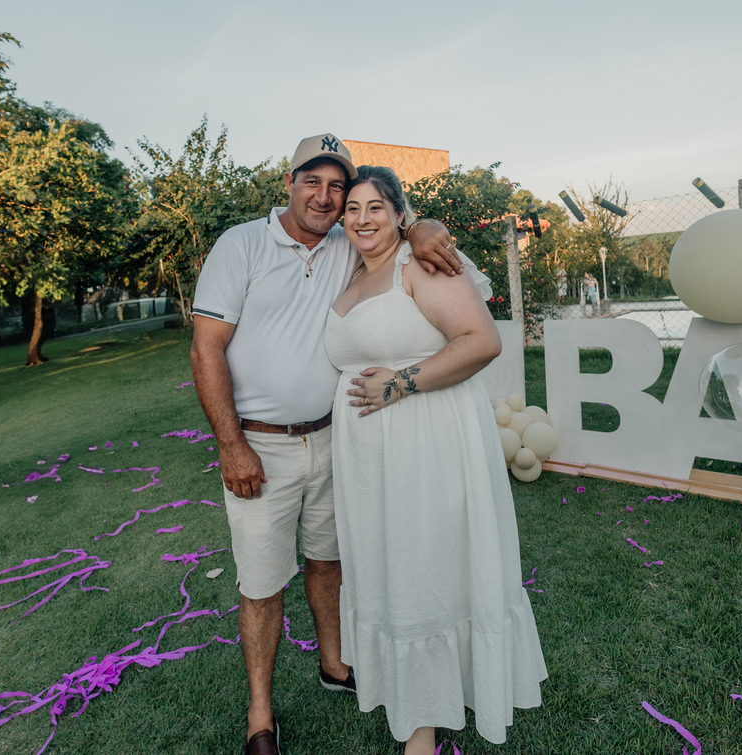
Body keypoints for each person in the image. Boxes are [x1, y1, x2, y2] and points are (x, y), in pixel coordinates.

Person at [190, 135, 462, 755]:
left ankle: (334, 664)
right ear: (288, 183)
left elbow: (390, 229)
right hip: (260, 448)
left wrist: (423, 227)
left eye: (336, 186)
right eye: (312, 181)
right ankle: (261, 715)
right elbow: (206, 349)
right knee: (263, 583)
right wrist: (231, 445)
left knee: (330, 561)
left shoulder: (346, 244)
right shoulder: (241, 245)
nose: (325, 195)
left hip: (338, 438)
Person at [325, 166, 547, 755]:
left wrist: (399, 383)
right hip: (369, 464)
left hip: (426, 445)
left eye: (376, 207)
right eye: (352, 209)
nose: (362, 219)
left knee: (425, 568)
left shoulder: (420, 264)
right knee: (389, 570)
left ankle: (423, 728)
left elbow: (481, 340)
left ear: (401, 215)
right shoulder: (349, 273)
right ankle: (413, 697)